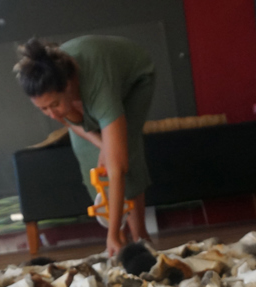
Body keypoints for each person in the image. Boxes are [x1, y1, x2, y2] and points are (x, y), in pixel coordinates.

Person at [15, 36, 155, 257]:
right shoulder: (54, 89)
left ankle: (140, 239)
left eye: (54, 104)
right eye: (43, 109)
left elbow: (117, 167)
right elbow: (67, 119)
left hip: (134, 82)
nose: (51, 114)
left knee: (124, 151)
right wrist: (102, 145)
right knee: (89, 156)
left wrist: (110, 235)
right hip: (84, 89)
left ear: (69, 86)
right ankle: (121, 241)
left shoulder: (98, 86)